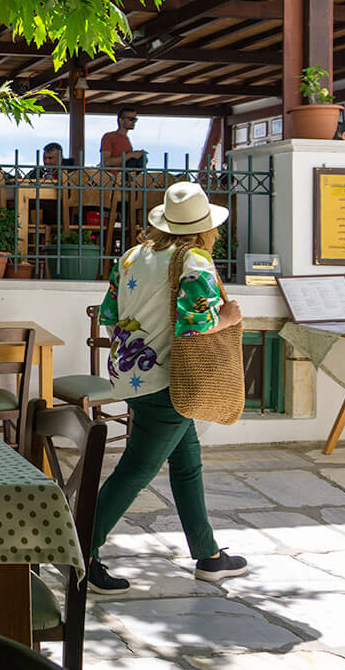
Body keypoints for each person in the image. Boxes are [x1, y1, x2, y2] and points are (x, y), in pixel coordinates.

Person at [88, 181, 248, 593]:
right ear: (204, 227)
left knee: (186, 462)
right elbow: (196, 325)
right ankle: (80, 552)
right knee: (136, 469)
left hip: (133, 373)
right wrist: (229, 317)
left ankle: (209, 556)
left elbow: (110, 313)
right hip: (171, 379)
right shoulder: (194, 259)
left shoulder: (131, 256)